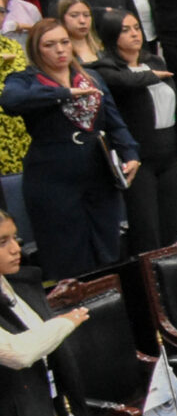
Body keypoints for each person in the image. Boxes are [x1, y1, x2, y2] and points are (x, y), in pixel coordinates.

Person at [2, 15, 139, 280]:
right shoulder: (27, 80)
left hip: (99, 176)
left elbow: (115, 124)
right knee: (67, 258)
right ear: (35, 50)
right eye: (49, 45)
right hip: (52, 180)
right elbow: (10, 100)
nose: (60, 49)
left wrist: (131, 154)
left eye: (64, 42)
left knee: (108, 252)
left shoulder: (92, 77)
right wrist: (63, 94)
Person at [0, 213, 77, 416]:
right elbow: (18, 353)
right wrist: (65, 323)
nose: (16, 248)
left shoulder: (14, 286)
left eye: (15, 238)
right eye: (2, 242)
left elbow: (39, 338)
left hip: (44, 403)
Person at [97, 10, 177, 255]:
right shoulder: (106, 68)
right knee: (147, 228)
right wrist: (149, 77)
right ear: (111, 35)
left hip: (170, 153)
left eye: (136, 28)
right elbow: (123, 82)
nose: (134, 34)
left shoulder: (156, 61)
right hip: (140, 158)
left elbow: (174, 111)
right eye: (125, 30)